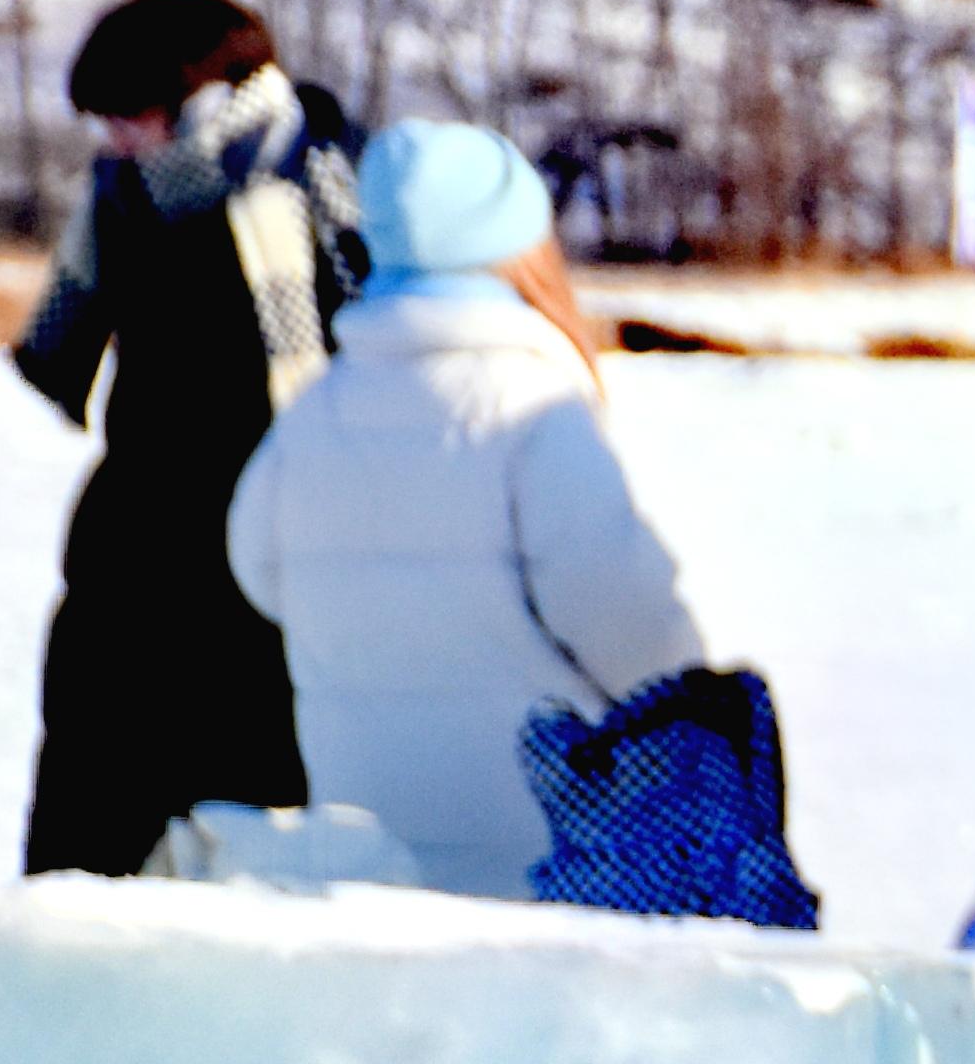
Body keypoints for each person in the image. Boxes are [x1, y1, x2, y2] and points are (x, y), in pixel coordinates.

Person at [222, 120, 707, 897]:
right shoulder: (532, 410)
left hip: (369, 864)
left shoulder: (313, 414)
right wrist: (703, 710)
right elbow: (631, 625)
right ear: (520, 245)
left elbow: (258, 570)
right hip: (546, 865)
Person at [11, 0, 356, 878]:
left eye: (130, 116)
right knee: (90, 801)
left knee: (255, 801)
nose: (113, 140)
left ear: (207, 98)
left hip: (276, 543)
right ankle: (60, 951)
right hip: (134, 543)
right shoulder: (126, 196)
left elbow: (375, 352)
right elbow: (68, 346)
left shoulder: (329, 184)